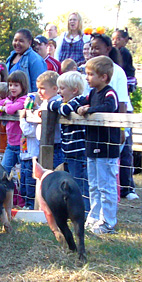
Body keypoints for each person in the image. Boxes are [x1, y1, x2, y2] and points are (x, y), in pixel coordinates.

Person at [89, 32, 138, 201]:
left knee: (118, 159)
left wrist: (122, 128)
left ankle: (123, 190)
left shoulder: (117, 71)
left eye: (98, 48)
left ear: (108, 49)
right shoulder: (90, 69)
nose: (94, 51)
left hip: (117, 118)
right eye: (92, 48)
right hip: (99, 123)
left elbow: (122, 102)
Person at [76, 56, 120, 234]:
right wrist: (74, 106)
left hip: (106, 148)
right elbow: (81, 102)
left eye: (90, 74)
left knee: (106, 185)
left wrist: (89, 110)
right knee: (93, 184)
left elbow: (110, 107)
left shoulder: (110, 93)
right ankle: (94, 217)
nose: (87, 78)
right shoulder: (92, 94)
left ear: (103, 77)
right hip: (91, 145)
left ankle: (108, 221)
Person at [48, 71, 90, 215]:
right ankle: (76, 210)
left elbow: (64, 110)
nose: (59, 91)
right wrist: (57, 104)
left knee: (80, 184)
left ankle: (85, 212)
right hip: (70, 152)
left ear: (74, 90)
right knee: (73, 182)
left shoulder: (79, 100)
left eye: (62, 88)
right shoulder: (68, 102)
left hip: (78, 152)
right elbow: (51, 105)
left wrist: (57, 105)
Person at [0, 70, 28, 174]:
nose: (12, 88)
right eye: (10, 85)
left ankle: (22, 190)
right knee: (3, 171)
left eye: (16, 85)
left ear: (23, 86)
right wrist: (4, 106)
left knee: (23, 173)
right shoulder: (9, 99)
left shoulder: (24, 99)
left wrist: (5, 106)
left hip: (22, 145)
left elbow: (11, 110)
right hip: (10, 144)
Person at [36, 71, 64, 168]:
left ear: (55, 89)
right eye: (38, 88)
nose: (39, 91)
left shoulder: (58, 101)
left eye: (42, 88)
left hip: (56, 144)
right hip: (44, 143)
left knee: (56, 169)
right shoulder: (44, 102)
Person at [19, 93, 42, 210]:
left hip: (32, 157)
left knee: (30, 185)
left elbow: (29, 132)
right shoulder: (27, 116)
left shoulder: (36, 119)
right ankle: (25, 203)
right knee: (22, 185)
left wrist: (22, 119)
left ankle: (31, 205)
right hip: (24, 156)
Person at [112, 28, 136, 93]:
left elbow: (121, 66)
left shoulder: (123, 51)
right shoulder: (116, 51)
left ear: (125, 40)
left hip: (127, 77)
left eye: (118, 39)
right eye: (113, 39)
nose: (114, 41)